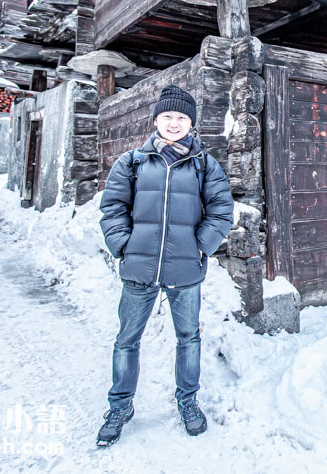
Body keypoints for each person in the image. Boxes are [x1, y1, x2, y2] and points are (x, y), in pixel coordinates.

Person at [96, 84, 234, 447]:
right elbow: (112, 207)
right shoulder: (132, 162)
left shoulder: (205, 164)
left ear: (191, 123)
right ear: (156, 119)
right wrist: (122, 245)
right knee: (127, 340)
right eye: (168, 116)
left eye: (182, 117)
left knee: (188, 339)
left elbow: (221, 210)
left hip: (185, 270)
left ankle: (188, 401)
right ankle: (120, 406)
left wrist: (199, 246)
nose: (174, 123)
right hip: (139, 270)